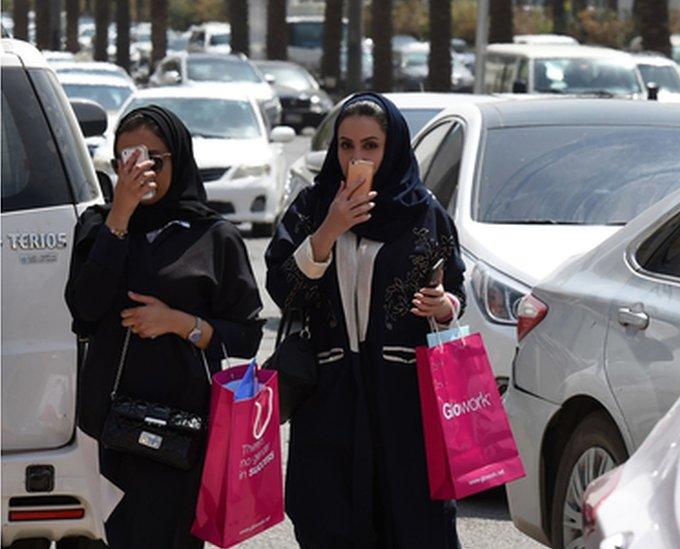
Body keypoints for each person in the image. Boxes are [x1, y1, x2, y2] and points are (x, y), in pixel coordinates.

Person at [265, 92, 465, 548]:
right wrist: (329, 231)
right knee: (327, 521)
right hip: (329, 396)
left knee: (415, 523)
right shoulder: (312, 208)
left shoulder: (424, 213)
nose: (357, 157)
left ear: (392, 148)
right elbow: (284, 291)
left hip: (406, 401)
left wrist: (443, 306)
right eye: (346, 146)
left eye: (370, 146)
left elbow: (456, 290)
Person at [65, 105, 264, 548]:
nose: (142, 169)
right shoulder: (98, 228)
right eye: (128, 158)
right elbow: (84, 310)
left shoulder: (215, 236)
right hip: (113, 427)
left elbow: (247, 336)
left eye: (155, 159)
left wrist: (180, 323)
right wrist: (119, 216)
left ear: (179, 157)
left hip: (186, 431)